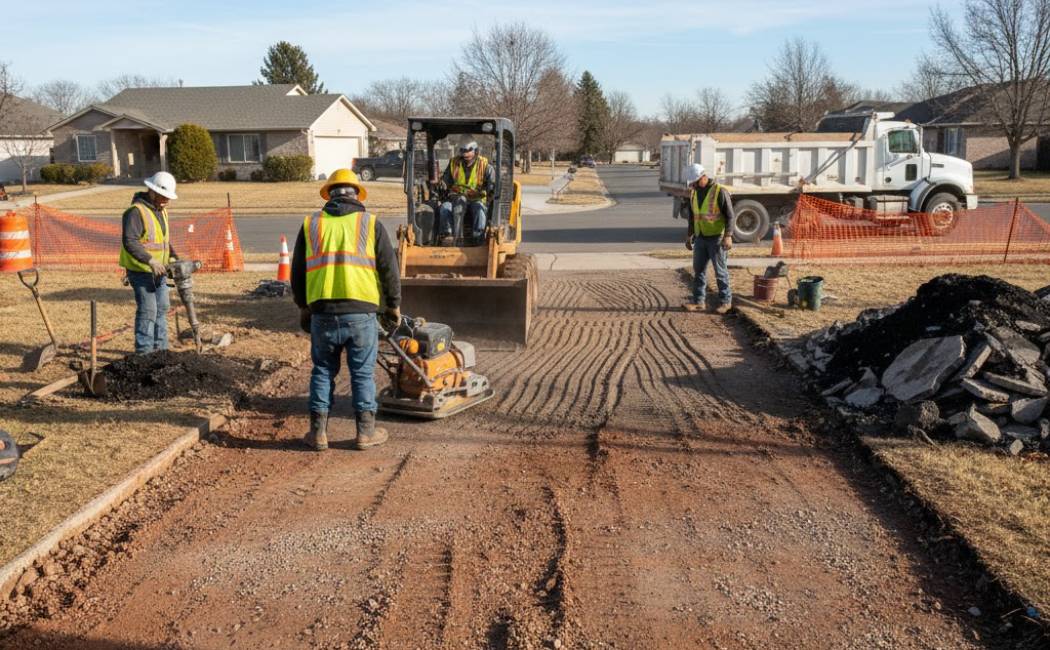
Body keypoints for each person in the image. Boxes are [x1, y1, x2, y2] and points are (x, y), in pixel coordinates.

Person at [291, 168, 401, 451]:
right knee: (362, 374)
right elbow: (389, 268)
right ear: (356, 195)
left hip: (323, 313)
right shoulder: (370, 223)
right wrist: (394, 305)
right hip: (361, 313)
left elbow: (298, 273)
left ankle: (318, 434)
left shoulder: (311, 224)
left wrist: (304, 306)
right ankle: (365, 433)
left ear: (329, 194)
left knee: (323, 371)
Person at [119, 171, 179, 354]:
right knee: (148, 310)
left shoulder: (162, 211)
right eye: (163, 196)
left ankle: (161, 351)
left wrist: (174, 258)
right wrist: (150, 260)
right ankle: (144, 354)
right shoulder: (136, 212)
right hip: (141, 271)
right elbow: (130, 241)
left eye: (168, 197)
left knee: (162, 309)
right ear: (151, 192)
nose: (166, 200)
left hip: (159, 272)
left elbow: (163, 241)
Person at [683, 163, 735, 313]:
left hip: (716, 239)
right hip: (700, 238)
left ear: (703, 177)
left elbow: (730, 216)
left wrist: (728, 236)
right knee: (698, 270)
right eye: (692, 183)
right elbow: (693, 217)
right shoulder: (694, 193)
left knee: (720, 271)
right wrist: (689, 236)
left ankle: (726, 302)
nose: (693, 185)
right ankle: (699, 302)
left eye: (695, 182)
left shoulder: (719, 191)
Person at [437, 141, 496, 246]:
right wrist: (442, 184)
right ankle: (449, 236)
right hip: (456, 198)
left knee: (480, 211)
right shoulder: (454, 163)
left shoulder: (485, 165)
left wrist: (490, 194)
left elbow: (492, 185)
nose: (465, 154)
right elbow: (446, 180)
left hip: (476, 199)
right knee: (445, 208)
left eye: (469, 151)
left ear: (476, 151)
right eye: (463, 151)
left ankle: (478, 239)